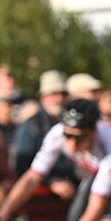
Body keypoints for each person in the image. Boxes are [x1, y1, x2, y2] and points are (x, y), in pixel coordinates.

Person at [13, 70, 77, 199]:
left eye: (63, 94)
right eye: (53, 93)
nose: (59, 98)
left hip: (72, 193)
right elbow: (22, 167)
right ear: (43, 97)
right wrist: (51, 181)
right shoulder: (30, 126)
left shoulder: (73, 125)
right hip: (41, 200)